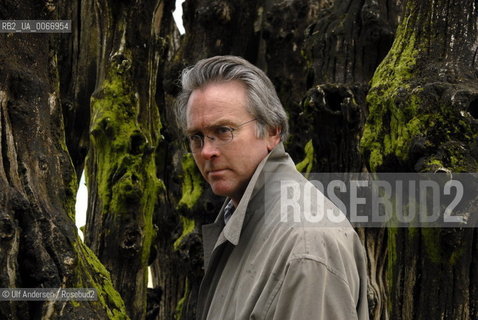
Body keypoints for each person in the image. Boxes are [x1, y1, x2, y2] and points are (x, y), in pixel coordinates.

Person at [176, 55, 369, 320]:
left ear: (272, 132)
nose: (207, 151)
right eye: (196, 137)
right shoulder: (244, 220)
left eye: (223, 131)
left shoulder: (306, 246)